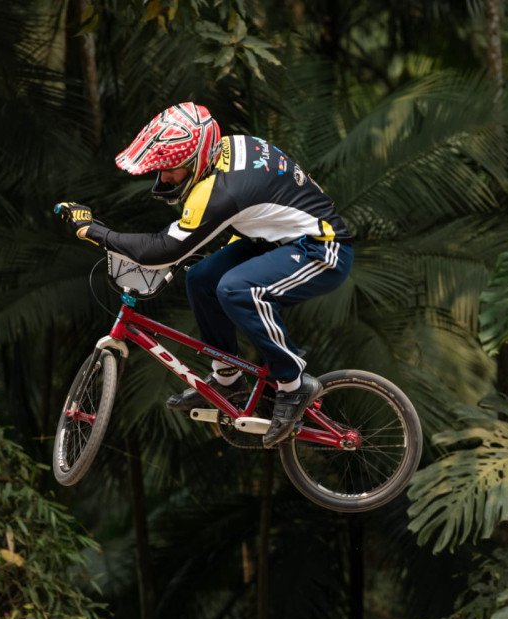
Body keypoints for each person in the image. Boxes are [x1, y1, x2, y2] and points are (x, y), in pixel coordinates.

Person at [56, 102, 353, 447]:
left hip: (322, 249)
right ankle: (227, 381)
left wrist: (93, 231)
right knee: (201, 279)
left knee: (238, 289)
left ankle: (293, 382)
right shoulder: (225, 151)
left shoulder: (220, 192)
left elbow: (163, 249)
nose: (164, 177)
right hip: (273, 241)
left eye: (171, 170)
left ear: (197, 159)